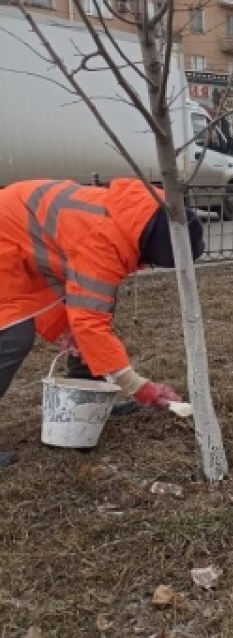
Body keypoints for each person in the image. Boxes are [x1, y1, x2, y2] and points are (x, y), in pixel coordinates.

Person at [0, 179, 204, 467]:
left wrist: (71, 329)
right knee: (13, 336)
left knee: (95, 308)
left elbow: (88, 310)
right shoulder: (102, 243)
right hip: (8, 239)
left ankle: (87, 397)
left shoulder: (139, 214)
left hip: (28, 240)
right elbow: (89, 323)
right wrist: (138, 386)